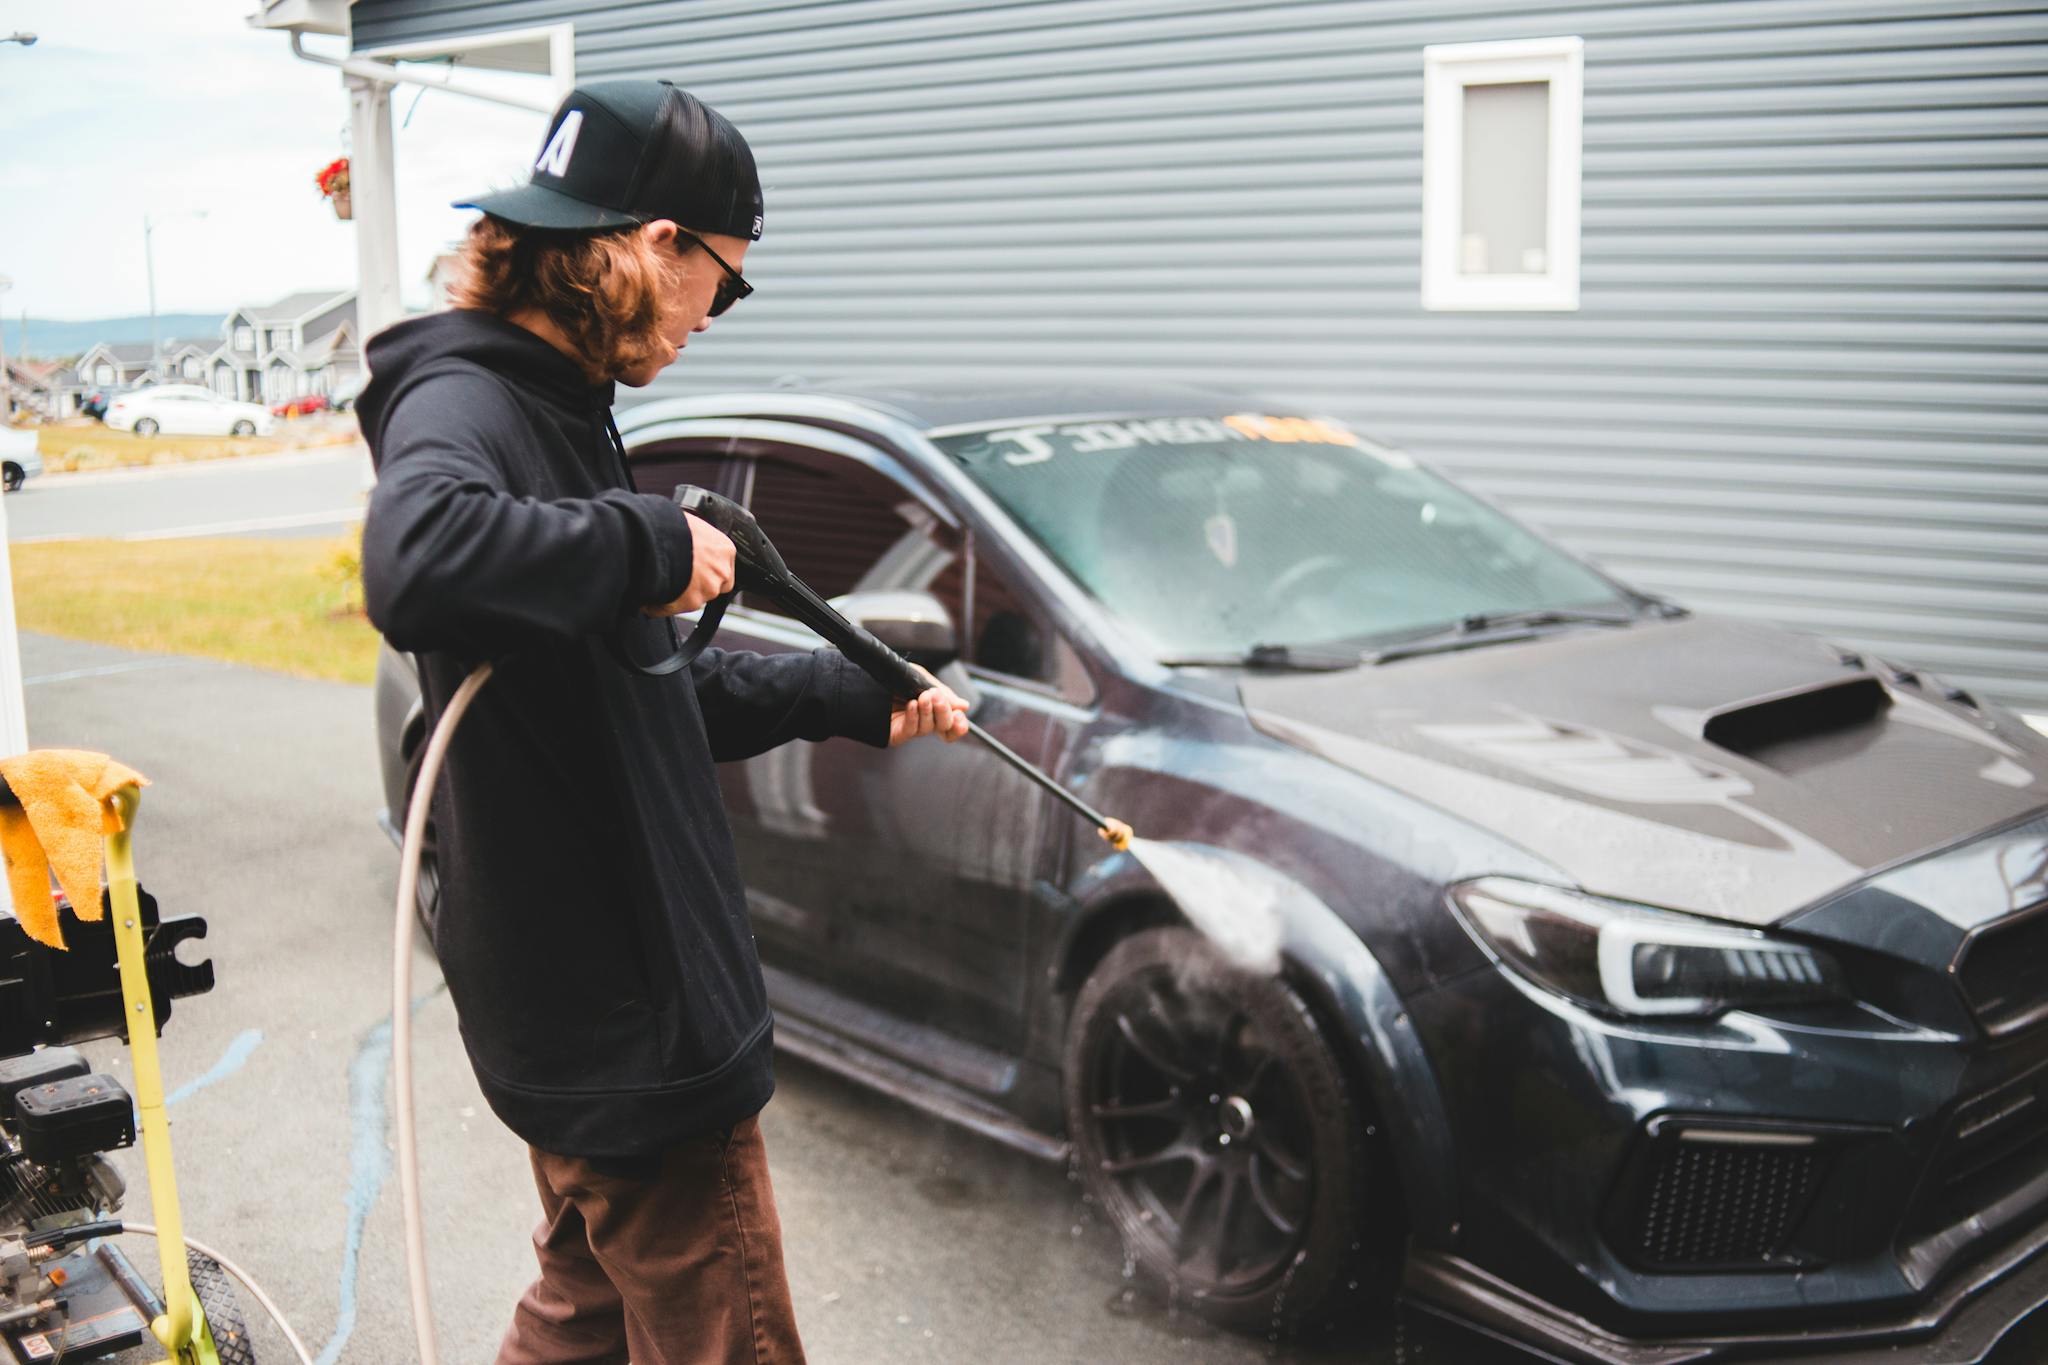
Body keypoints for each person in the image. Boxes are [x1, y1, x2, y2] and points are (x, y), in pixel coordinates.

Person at [356, 79, 969, 1365]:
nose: (714, 315)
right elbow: (413, 561)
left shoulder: (561, 414)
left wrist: (848, 690)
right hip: (627, 1030)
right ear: (646, 248)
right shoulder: (471, 404)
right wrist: (644, 538)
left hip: (589, 1025)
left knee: (579, 1322)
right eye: (723, 283)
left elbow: (640, 691)